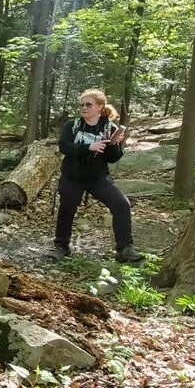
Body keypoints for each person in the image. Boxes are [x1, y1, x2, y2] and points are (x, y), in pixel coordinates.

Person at [50, 89, 143, 263]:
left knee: (122, 204)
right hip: (72, 177)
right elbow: (64, 146)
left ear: (100, 107)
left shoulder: (109, 127)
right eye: (82, 105)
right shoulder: (73, 125)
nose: (84, 108)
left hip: (98, 179)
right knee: (67, 210)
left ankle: (124, 249)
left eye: (88, 104)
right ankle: (61, 247)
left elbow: (113, 158)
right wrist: (89, 147)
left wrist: (115, 144)